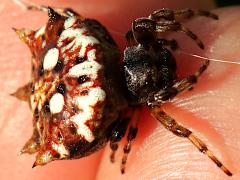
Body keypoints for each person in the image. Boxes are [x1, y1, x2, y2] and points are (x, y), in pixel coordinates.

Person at [0, 0, 239, 179]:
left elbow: (152, 21)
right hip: (70, 110)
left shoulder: (137, 65)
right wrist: (195, 74)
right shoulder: (149, 103)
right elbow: (180, 129)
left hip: (72, 58)